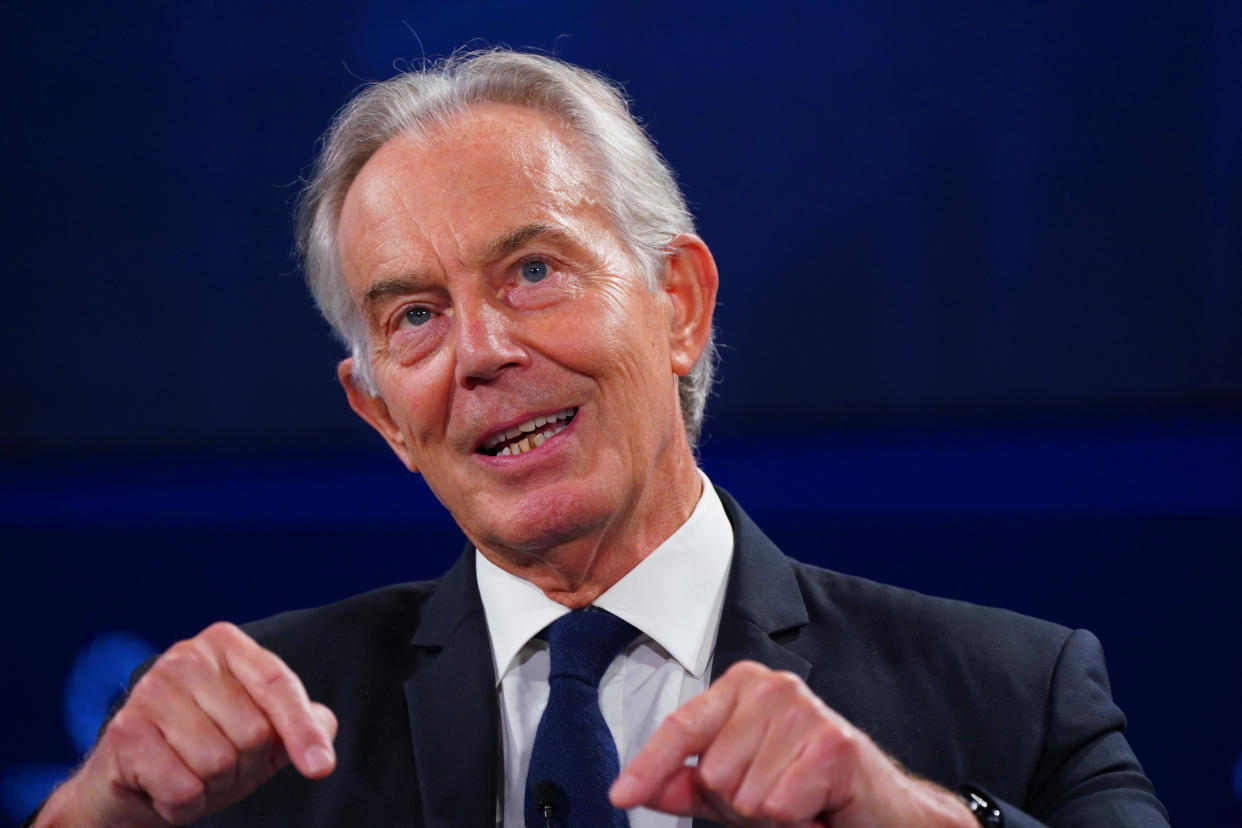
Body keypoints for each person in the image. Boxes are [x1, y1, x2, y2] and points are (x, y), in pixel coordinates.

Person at [29, 50, 1169, 828]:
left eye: (532, 270)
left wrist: (907, 816)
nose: (477, 352)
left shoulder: (1015, 691)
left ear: (679, 303)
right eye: (414, 316)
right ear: (382, 414)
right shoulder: (256, 747)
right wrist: (90, 814)